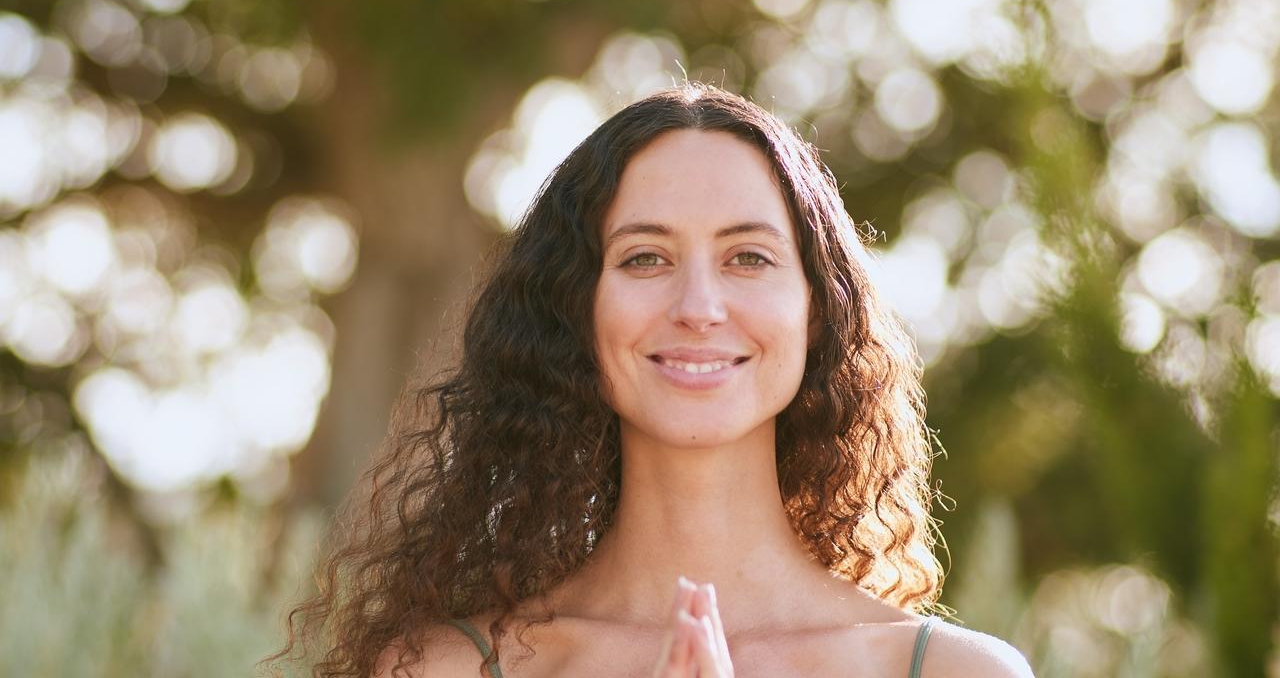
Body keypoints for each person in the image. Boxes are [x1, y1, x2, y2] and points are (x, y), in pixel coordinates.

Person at [277, 83, 1033, 677]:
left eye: (748, 257)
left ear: (816, 312)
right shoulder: (446, 670)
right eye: (645, 258)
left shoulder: (958, 674)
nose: (699, 307)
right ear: (576, 313)